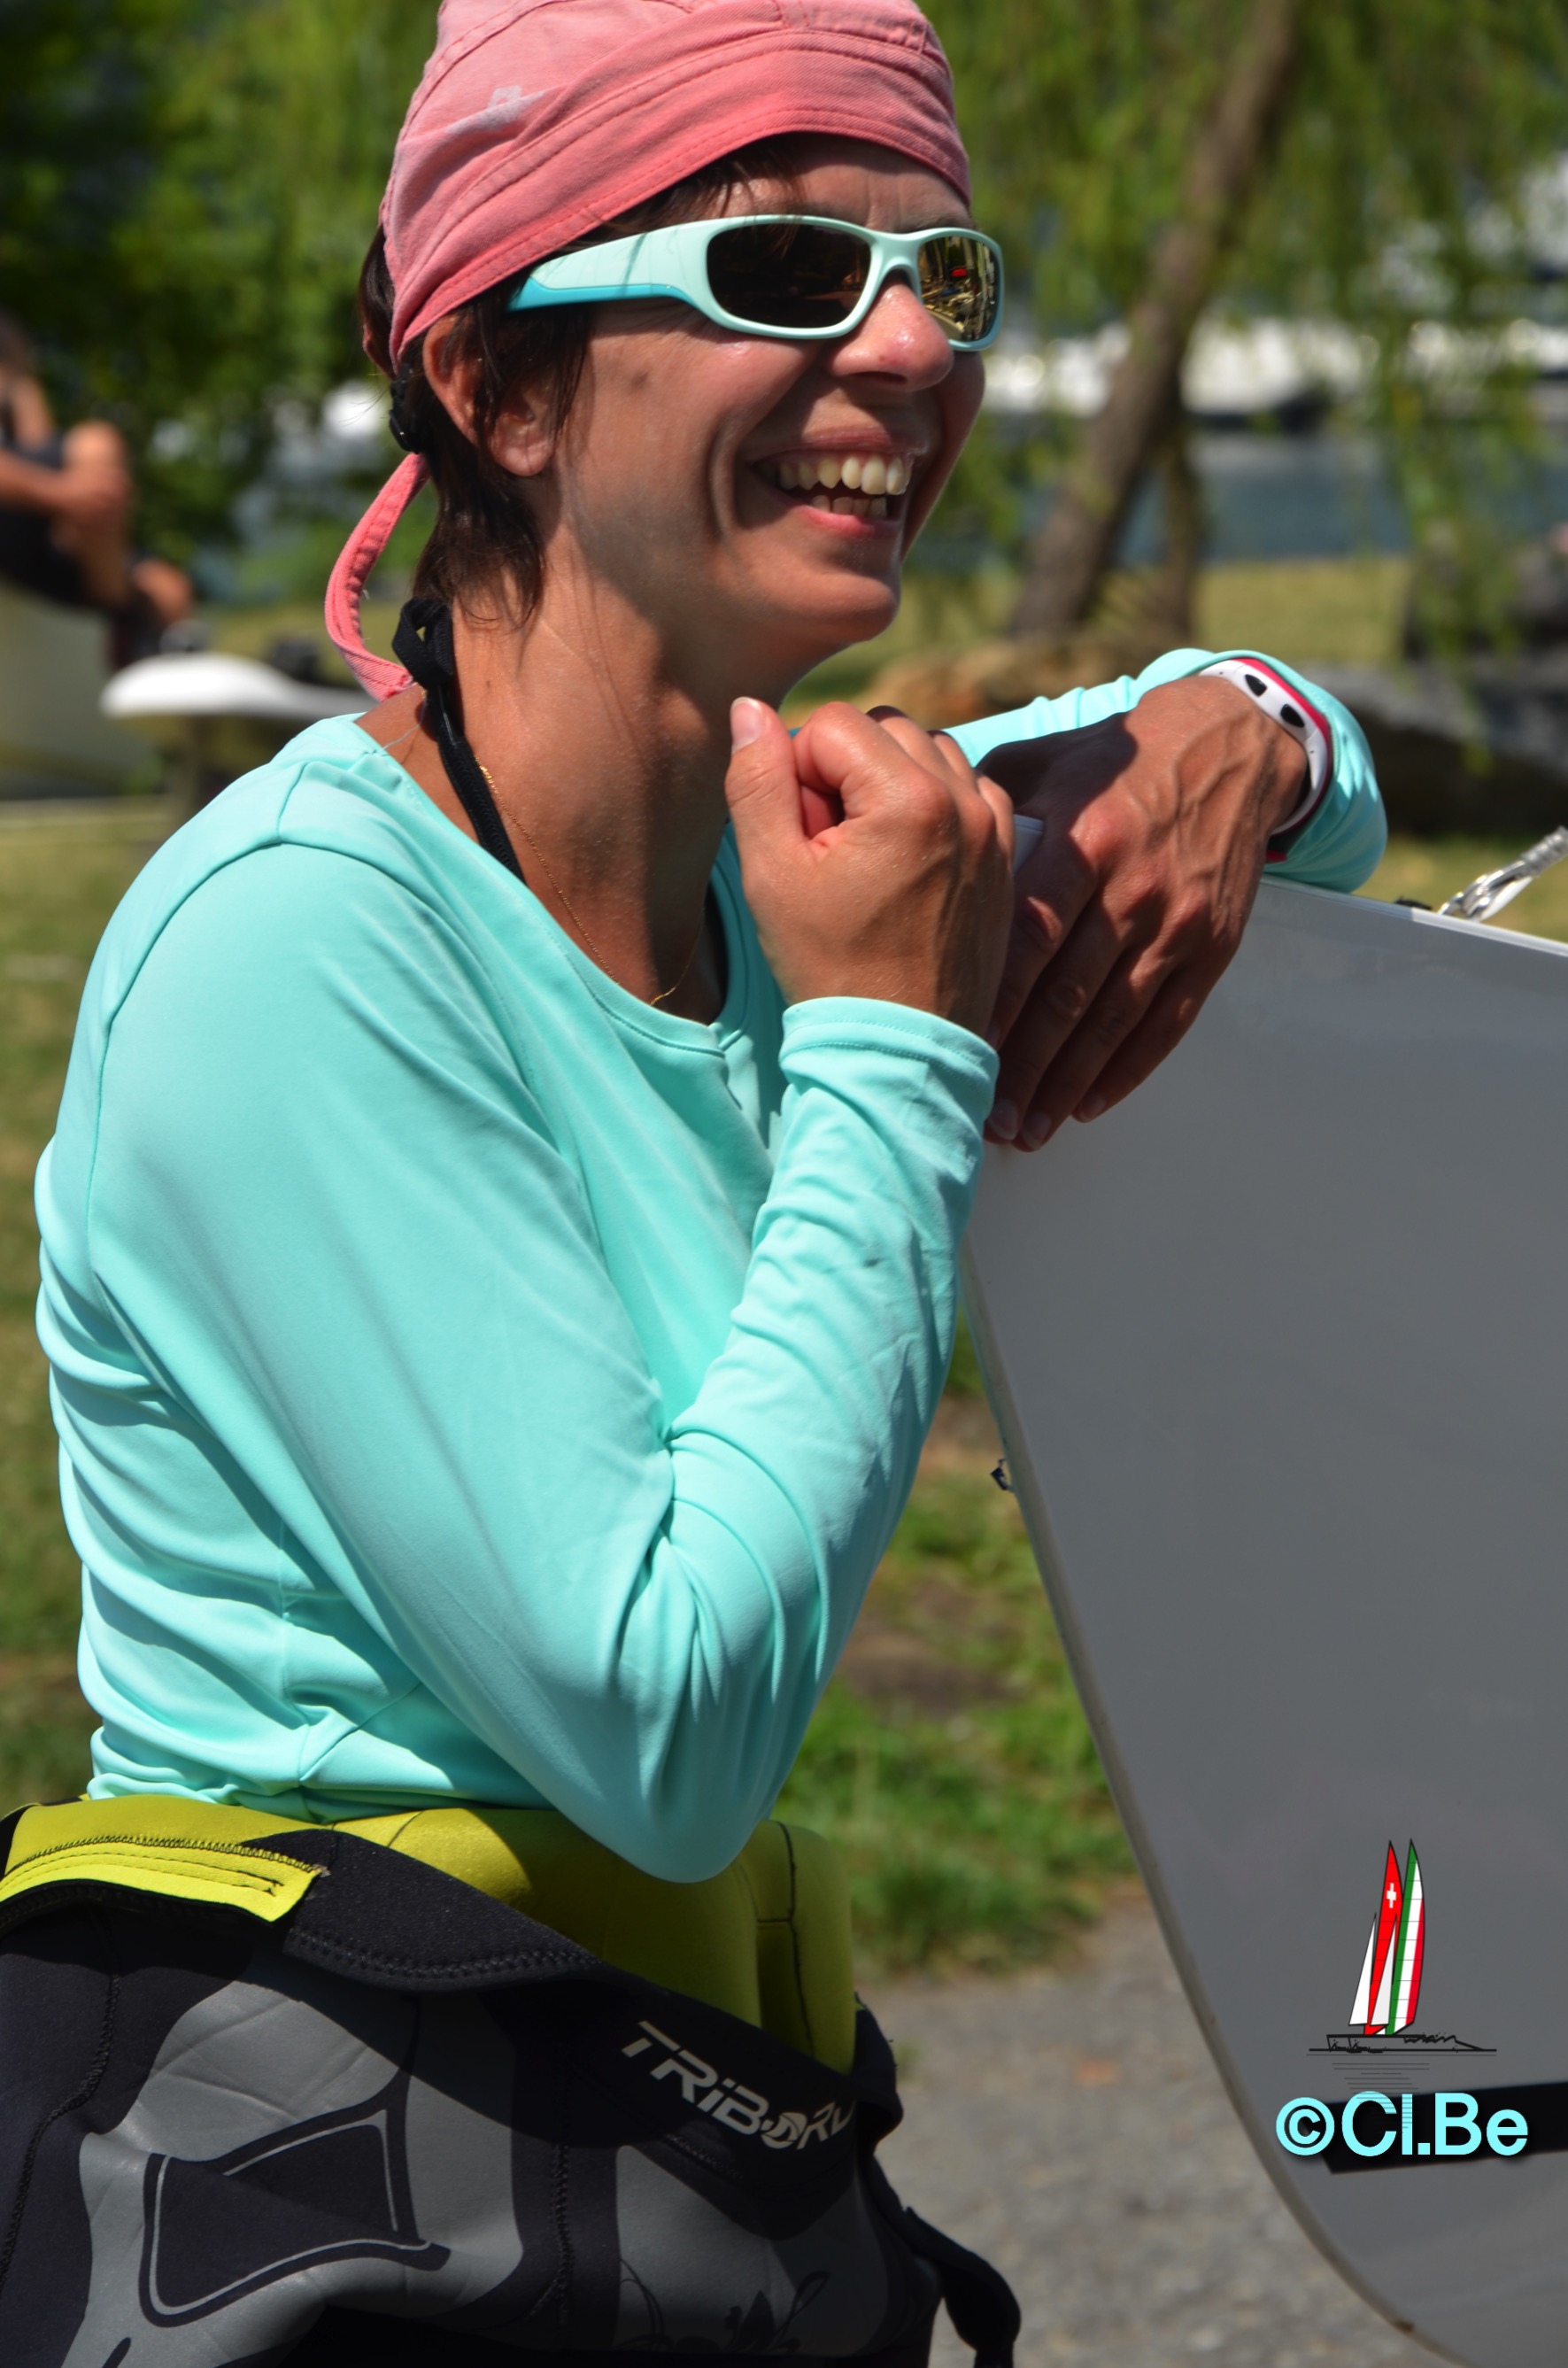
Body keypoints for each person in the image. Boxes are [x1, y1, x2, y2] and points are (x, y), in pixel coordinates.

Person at [3, 4, 1384, 2364]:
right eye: (783, 271)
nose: (907, 352)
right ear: (498, 385)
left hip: (644, 2159)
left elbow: (1316, 803)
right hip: (341, 2198)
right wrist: (886, 1049)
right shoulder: (295, 945)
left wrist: (1240, 726)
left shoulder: (792, 853)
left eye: (944, 275)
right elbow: (664, 1728)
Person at [0, 308, 191, 664]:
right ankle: (120, 615)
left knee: (170, 588)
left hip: (38, 534)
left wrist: (20, 382)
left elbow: (37, 444)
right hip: (22, 530)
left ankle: (121, 612)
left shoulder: (17, 385)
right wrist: (62, 494)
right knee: (97, 445)